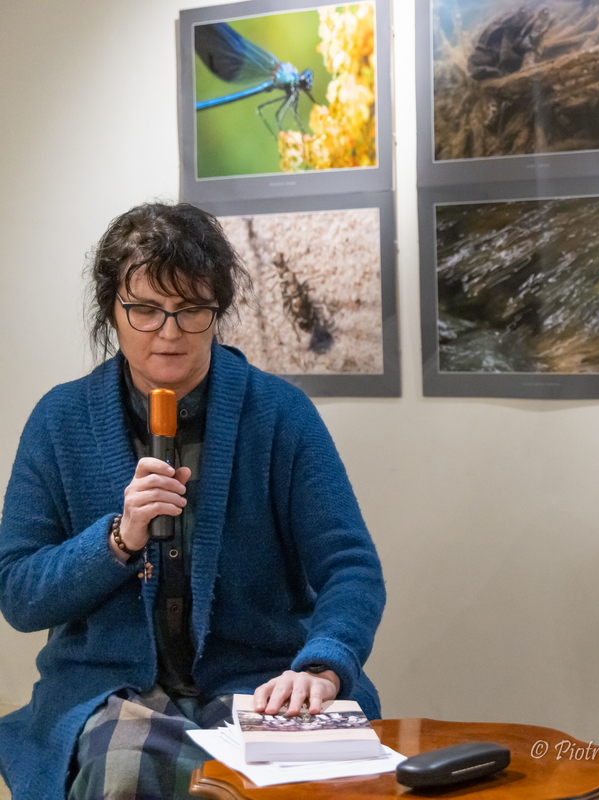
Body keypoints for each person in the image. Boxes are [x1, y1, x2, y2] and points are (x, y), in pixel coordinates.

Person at [0, 203, 386, 800]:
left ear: (218, 310)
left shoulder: (280, 414)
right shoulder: (60, 420)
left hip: (261, 683)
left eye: (191, 309)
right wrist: (118, 540)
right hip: (112, 691)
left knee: (311, 784)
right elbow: (19, 592)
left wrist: (323, 662)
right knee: (122, 774)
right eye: (145, 309)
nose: (169, 332)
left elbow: (350, 567)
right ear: (112, 308)